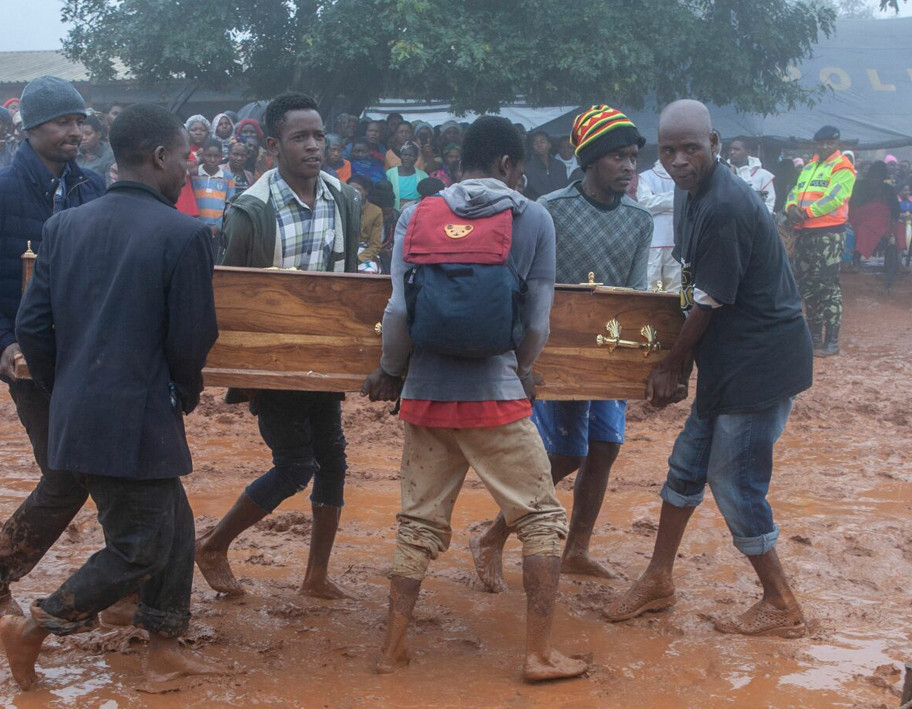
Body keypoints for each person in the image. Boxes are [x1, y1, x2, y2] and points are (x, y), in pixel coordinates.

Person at [2, 102, 220, 690]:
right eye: (182, 156)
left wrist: (63, 386)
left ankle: (165, 646)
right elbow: (192, 338)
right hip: (141, 413)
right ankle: (36, 626)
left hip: (78, 409)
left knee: (173, 523)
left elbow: (33, 327)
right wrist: (187, 392)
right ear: (158, 157)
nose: (187, 166)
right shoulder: (185, 233)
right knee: (141, 548)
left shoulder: (63, 226)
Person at [362, 114, 586, 682]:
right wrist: (524, 370)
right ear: (510, 165)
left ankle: (392, 647)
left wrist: (391, 371)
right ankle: (537, 654)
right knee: (540, 518)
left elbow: (398, 313)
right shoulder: (531, 216)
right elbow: (537, 320)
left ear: (462, 161)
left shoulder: (416, 213)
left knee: (417, 523)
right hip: (496, 396)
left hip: (425, 397)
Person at [602, 99, 813, 639]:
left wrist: (673, 365)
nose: (678, 161)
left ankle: (781, 601)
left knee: (735, 481)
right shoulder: (687, 190)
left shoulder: (725, 205)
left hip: (760, 362)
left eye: (690, 148)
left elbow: (709, 299)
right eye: (668, 150)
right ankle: (658, 578)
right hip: (727, 358)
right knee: (686, 465)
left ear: (715, 144)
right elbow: (695, 285)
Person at [0, 76, 105, 619]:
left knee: (102, 467)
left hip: (92, 358)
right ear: (29, 129)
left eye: (79, 121)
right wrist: (1, 339)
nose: (74, 131)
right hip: (32, 364)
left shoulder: (94, 189)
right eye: (61, 122)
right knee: (68, 472)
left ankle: (124, 587)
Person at [471, 105, 652, 589]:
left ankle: (578, 549)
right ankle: (491, 538)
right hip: (556, 351)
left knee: (607, 447)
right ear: (589, 160)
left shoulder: (640, 220)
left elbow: (634, 296)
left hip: (608, 352)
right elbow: (525, 283)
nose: (629, 167)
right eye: (617, 157)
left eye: (633, 157)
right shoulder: (549, 210)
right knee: (567, 455)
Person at [196, 93, 362, 600]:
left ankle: (315, 577)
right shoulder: (250, 210)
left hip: (324, 355)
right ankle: (213, 545)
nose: (314, 146)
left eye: (318, 136)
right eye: (300, 137)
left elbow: (349, 282)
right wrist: (246, 375)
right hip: (271, 359)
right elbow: (233, 297)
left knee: (332, 460)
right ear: (273, 145)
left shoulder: (344, 199)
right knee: (295, 465)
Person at [784, 125, 855, 357]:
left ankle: (831, 340)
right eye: (821, 143)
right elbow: (795, 191)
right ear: (816, 144)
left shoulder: (842, 166)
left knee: (828, 285)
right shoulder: (809, 166)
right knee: (807, 285)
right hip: (804, 232)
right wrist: (791, 207)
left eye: (830, 143)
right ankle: (814, 337)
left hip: (828, 234)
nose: (825, 147)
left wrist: (808, 212)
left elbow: (835, 197)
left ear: (837, 143)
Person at [851, 161, 903, 293]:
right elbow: (853, 206)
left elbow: (895, 210)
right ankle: (856, 261)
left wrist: (893, 219)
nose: (877, 179)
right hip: (863, 218)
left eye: (880, 176)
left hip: (884, 220)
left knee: (899, 229)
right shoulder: (859, 186)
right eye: (874, 175)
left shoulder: (889, 189)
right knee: (863, 230)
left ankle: (897, 262)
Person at [636, 156, 681, 292]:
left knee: (676, 284)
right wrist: (676, 197)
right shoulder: (646, 177)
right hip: (654, 238)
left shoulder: (684, 177)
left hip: (677, 238)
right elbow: (645, 204)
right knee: (651, 281)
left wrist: (659, 201)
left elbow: (689, 201)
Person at [727, 137, 776, 212]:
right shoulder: (722, 172)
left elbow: (769, 204)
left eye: (737, 149)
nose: (732, 152)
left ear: (748, 152)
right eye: (730, 149)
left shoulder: (763, 175)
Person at [348, 173, 384, 270]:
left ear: (366, 191)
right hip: (344, 250)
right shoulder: (341, 206)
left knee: (369, 273)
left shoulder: (375, 211)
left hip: (365, 251)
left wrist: (358, 259)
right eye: (350, 189)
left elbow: (375, 245)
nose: (353, 192)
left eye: (358, 189)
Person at [522, 130, 569, 201]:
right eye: (535, 143)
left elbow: (564, 189)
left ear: (549, 145)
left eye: (542, 142)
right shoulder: (528, 167)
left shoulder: (560, 165)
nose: (539, 145)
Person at [386, 142, 428, 209]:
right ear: (400, 156)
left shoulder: (423, 175)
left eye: (411, 155)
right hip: (395, 211)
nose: (407, 158)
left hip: (415, 211)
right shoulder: (390, 174)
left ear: (416, 158)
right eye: (404, 155)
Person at [76, 112, 114, 179]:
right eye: (81, 134)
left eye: (88, 134)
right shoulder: (75, 154)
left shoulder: (109, 157)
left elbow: (110, 185)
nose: (83, 138)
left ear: (98, 134)